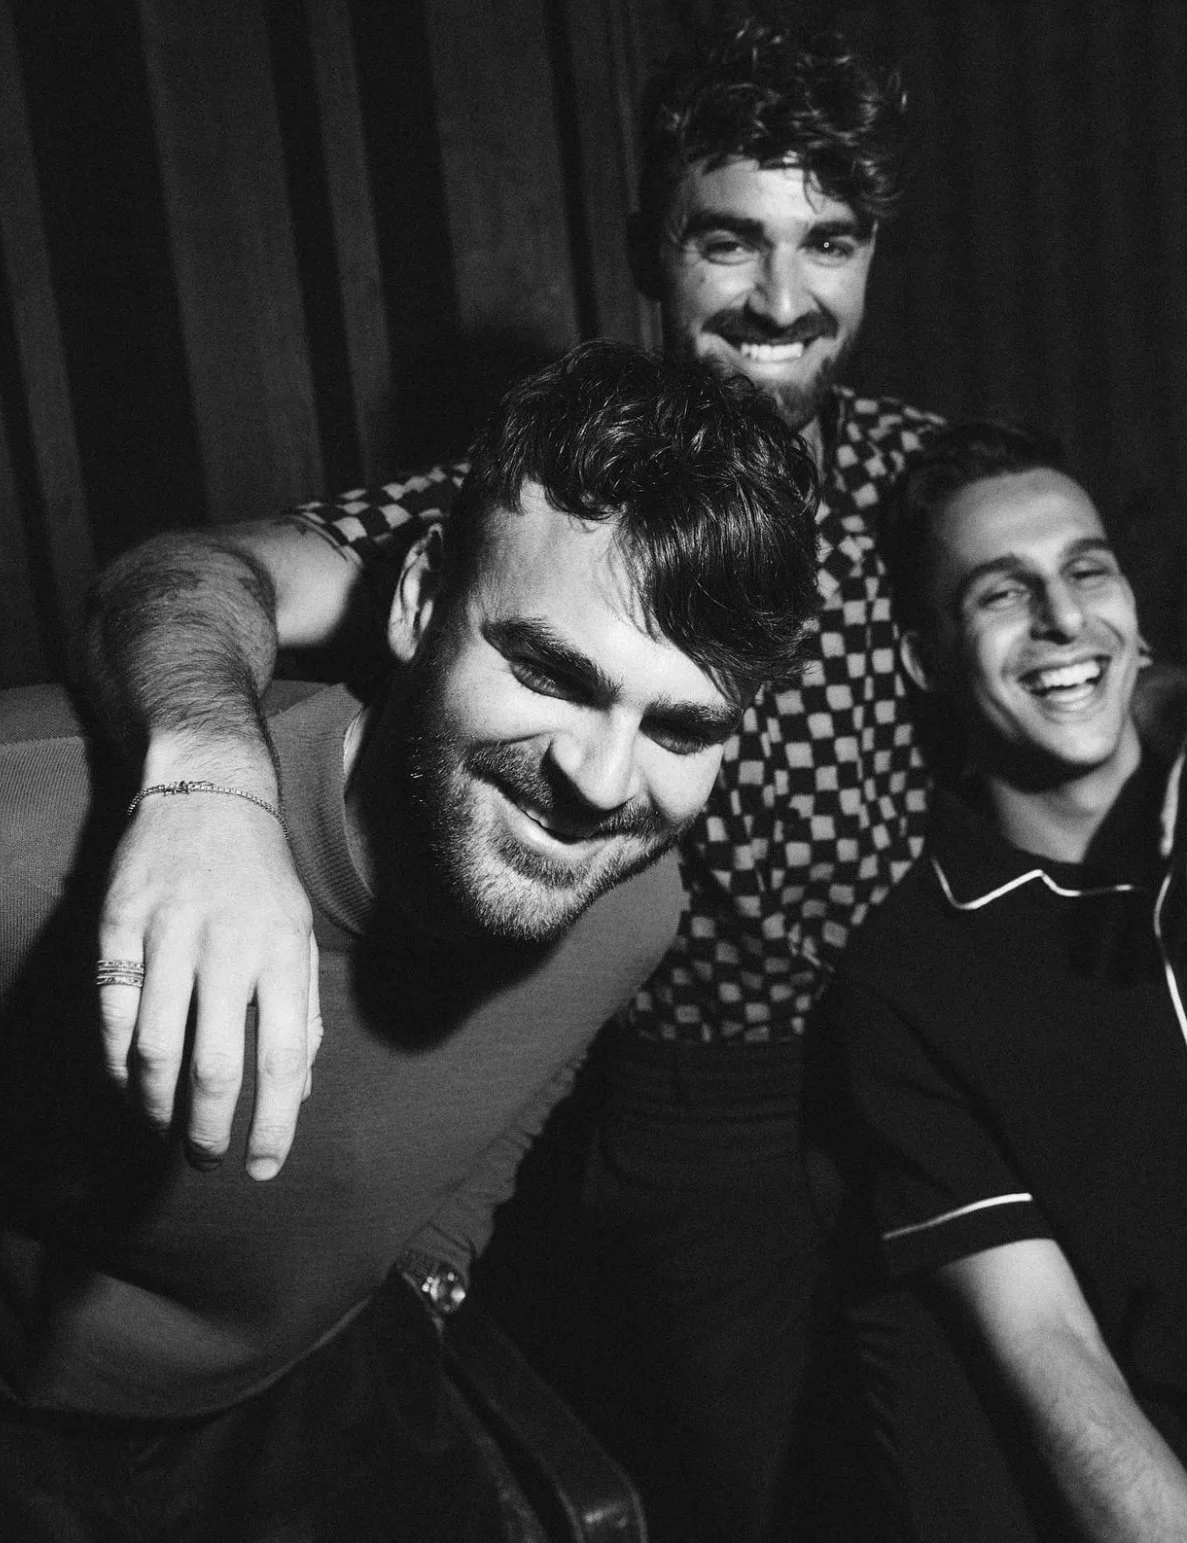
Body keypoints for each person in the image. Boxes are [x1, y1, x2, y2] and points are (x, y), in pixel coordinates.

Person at [81, 15, 1187, 1542]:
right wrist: (211, 780)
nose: (782, 297)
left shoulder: (913, 472)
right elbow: (191, 574)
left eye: (828, 243)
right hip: (704, 1117)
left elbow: (1055, 633)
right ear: (651, 245)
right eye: (727, 240)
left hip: (939, 1053)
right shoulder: (554, 491)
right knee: (753, 1498)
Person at [0, 341, 820, 1542]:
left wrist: (431, 1267)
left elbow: (507, 1104)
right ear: (422, 600)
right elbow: (183, 573)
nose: (600, 782)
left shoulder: (634, 910)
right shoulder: (28, 829)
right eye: (552, 672)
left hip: (317, 1390)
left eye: (682, 728)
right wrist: (210, 789)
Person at [835, 420, 1187, 1541]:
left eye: (1088, 571)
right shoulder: (910, 978)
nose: (1064, 618)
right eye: (1003, 593)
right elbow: (1058, 1368)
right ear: (924, 658)